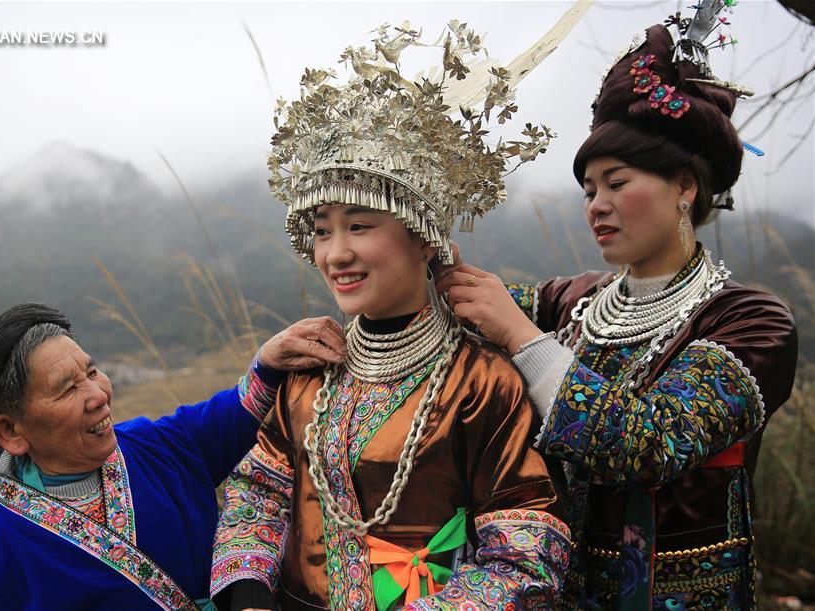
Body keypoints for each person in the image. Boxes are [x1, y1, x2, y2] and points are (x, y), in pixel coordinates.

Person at [438, 8, 798, 610]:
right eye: (587, 190)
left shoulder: (751, 323)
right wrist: (428, 258)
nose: (596, 206)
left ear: (686, 186)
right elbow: (456, 314)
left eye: (616, 182)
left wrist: (524, 340)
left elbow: (649, 444)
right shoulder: (572, 301)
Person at [209, 20, 571, 611]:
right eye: (321, 232)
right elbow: (259, 494)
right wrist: (249, 596)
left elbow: (527, 551)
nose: (335, 253)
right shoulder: (312, 371)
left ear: (423, 238)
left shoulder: (481, 382)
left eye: (359, 225)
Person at [0, 302, 345, 610]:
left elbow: (236, 413)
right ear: (11, 431)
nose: (98, 395)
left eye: (91, 371)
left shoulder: (155, 446)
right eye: (68, 388)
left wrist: (270, 362)